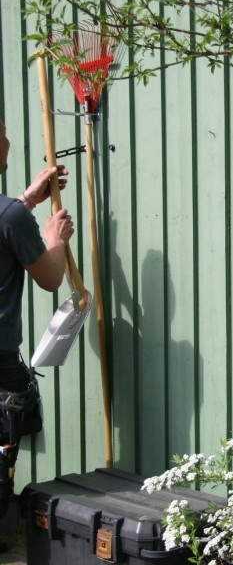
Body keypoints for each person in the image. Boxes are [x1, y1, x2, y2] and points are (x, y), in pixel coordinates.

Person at [0, 117, 74, 531]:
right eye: (2, 132)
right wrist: (56, 240)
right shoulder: (9, 215)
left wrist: (26, 201)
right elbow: (49, 278)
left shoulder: (11, 213)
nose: (8, 140)